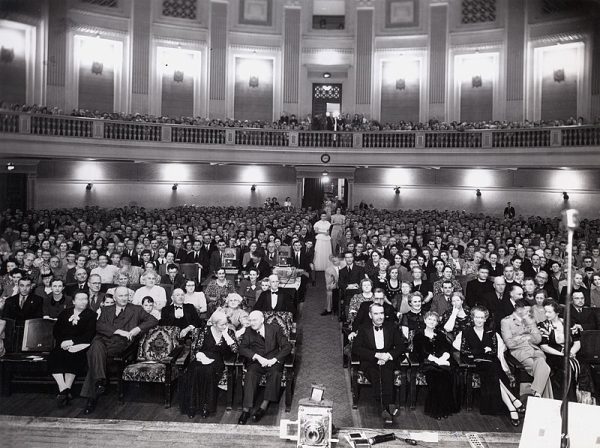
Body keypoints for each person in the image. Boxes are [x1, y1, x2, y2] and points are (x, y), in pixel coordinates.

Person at [81, 286, 158, 414]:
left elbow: (153, 320)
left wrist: (137, 329)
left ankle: (95, 391)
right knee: (95, 346)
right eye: (120, 296)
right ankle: (99, 381)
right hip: (103, 340)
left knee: (94, 356)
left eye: (126, 295)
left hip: (120, 344)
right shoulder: (106, 309)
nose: (123, 298)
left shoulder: (136, 309)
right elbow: (99, 325)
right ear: (115, 298)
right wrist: (118, 331)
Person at [453, 306, 524, 425]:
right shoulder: (466, 332)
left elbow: (494, 351)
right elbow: (464, 351)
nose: (479, 320)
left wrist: (481, 351)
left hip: (491, 362)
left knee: (493, 371)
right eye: (477, 317)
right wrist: (482, 350)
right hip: (477, 363)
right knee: (493, 371)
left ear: (485, 319)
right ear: (472, 318)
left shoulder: (491, 332)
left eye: (482, 317)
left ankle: (512, 405)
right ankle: (513, 402)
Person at [178, 310, 238, 418]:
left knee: (208, 371)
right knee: (194, 369)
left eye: (226, 323)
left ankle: (205, 407)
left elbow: (235, 350)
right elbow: (197, 348)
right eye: (222, 324)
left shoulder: (229, 332)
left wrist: (227, 336)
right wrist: (200, 356)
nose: (225, 326)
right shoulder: (205, 330)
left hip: (218, 359)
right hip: (202, 356)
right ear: (214, 324)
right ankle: (192, 406)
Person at [352, 302, 405, 423]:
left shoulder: (392, 327)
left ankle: (385, 408)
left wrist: (388, 356)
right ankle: (387, 406)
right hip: (370, 360)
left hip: (388, 358)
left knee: (387, 373)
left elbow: (401, 346)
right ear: (370, 315)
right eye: (376, 314)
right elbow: (356, 348)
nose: (379, 316)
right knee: (376, 375)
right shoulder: (363, 328)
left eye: (381, 313)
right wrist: (376, 355)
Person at [238, 310, 292, 424]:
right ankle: (246, 410)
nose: (252, 323)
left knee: (275, 374)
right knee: (250, 374)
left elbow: (287, 346)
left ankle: (263, 406)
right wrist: (256, 357)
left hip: (272, 361)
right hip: (257, 362)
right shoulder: (248, 331)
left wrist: (274, 360)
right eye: (250, 320)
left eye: (255, 320)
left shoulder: (275, 329)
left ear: (262, 320)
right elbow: (242, 349)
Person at [48, 291, 96, 407]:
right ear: (74, 301)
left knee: (73, 356)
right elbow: (56, 331)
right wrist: (63, 342)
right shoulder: (65, 313)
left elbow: (89, 335)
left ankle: (63, 393)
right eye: (79, 299)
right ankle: (64, 389)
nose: (83, 302)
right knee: (55, 355)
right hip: (63, 344)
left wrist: (72, 342)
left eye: (85, 299)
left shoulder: (91, 315)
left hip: (81, 345)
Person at [501, 299, 553, 398]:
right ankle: (542, 397)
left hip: (535, 351)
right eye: (527, 311)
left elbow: (538, 339)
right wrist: (526, 338)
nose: (529, 313)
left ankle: (537, 393)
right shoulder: (506, 321)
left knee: (542, 366)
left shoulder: (530, 320)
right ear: (518, 309)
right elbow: (510, 344)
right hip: (520, 352)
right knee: (544, 369)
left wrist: (523, 334)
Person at [412, 311, 460, 419]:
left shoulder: (440, 335)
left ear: (437, 323)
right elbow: (421, 352)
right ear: (425, 320)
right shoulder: (419, 335)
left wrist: (443, 358)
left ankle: (445, 409)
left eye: (434, 320)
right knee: (435, 377)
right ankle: (435, 411)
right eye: (429, 319)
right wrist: (435, 360)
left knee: (446, 375)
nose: (432, 322)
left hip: (442, 362)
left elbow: (447, 348)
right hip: (427, 363)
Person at [538, 299, 581, 402]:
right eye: (545, 312)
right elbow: (544, 346)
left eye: (549, 312)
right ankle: (565, 400)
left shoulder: (569, 323)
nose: (546, 314)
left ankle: (575, 399)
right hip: (553, 355)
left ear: (557, 312)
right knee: (566, 367)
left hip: (570, 353)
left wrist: (571, 352)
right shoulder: (543, 325)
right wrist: (562, 355)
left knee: (582, 366)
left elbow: (577, 343)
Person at [338, 251, 366, 321]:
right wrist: (348, 286)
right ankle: (349, 320)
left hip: (358, 292)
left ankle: (357, 319)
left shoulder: (360, 269)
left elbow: (362, 281)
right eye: (347, 257)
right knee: (347, 299)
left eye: (350, 257)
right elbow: (340, 283)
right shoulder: (342, 271)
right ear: (345, 259)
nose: (349, 259)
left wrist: (354, 286)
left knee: (355, 298)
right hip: (347, 293)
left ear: (353, 258)